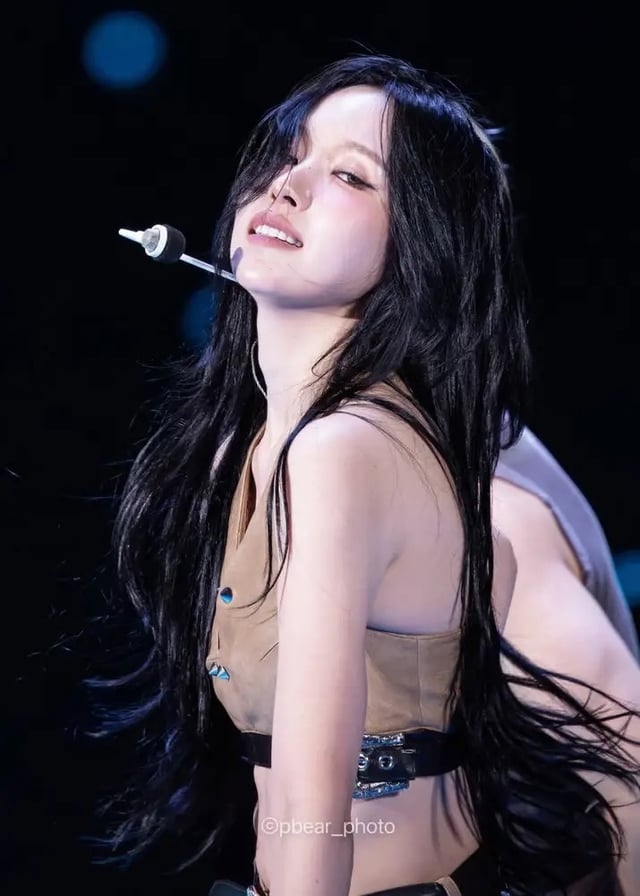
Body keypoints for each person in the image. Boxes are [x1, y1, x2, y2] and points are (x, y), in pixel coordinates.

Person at [97, 54, 640, 896]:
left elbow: (311, 810)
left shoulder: (350, 455)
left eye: (351, 175)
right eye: (287, 153)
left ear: (421, 241)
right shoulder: (255, 447)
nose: (287, 184)